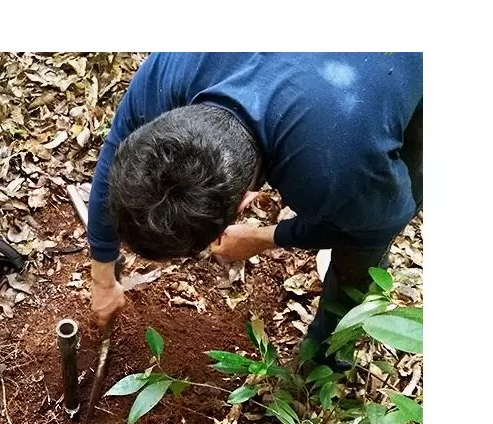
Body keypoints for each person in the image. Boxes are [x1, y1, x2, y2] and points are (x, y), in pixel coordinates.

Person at [87, 52, 423, 365]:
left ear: (244, 203)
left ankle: (327, 357)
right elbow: (115, 147)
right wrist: (103, 277)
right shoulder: (176, 67)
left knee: (362, 236)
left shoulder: (336, 172)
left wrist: (264, 237)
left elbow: (381, 225)